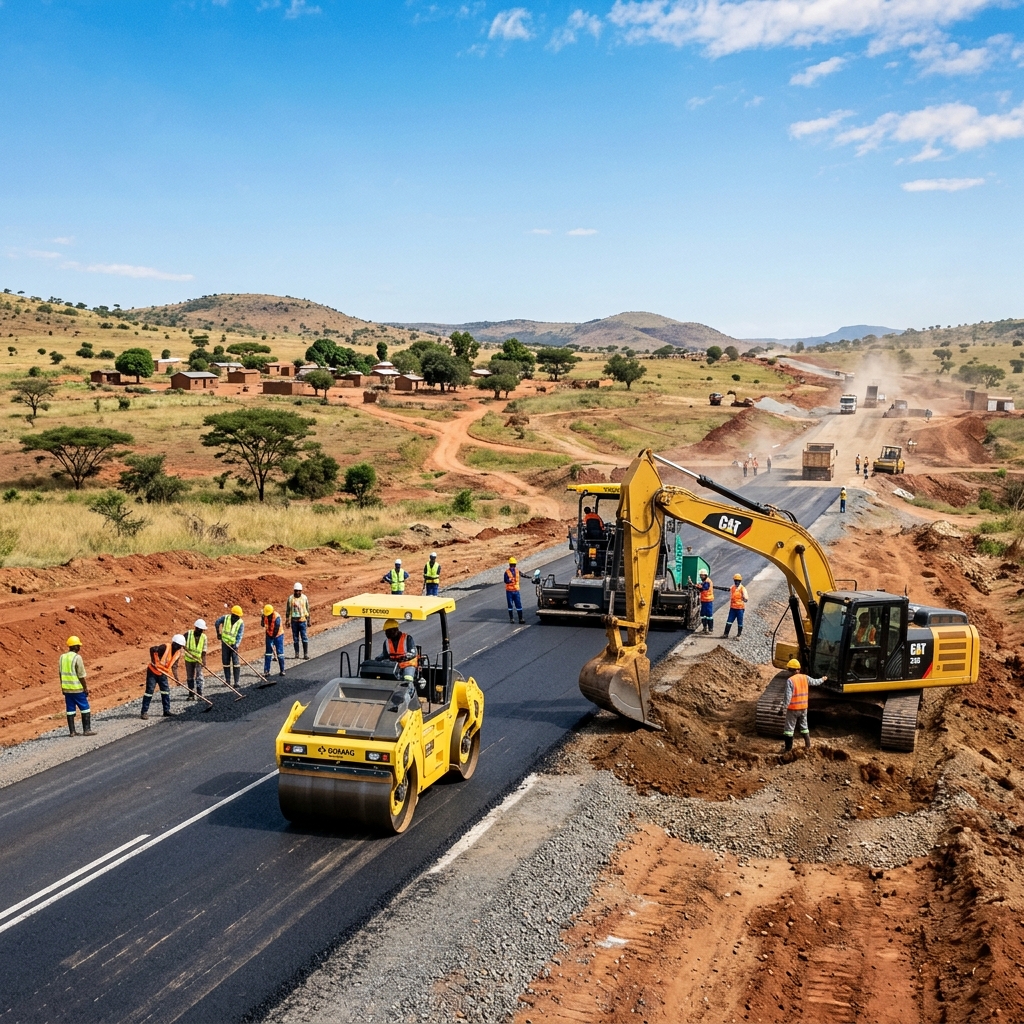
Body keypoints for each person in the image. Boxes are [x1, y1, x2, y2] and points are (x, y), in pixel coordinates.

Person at [777, 658, 828, 751]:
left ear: (790, 670)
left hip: (793, 709)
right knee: (804, 727)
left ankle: (788, 749)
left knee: (789, 729)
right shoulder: (805, 677)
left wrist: (782, 709)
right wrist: (823, 679)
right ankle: (808, 746)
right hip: (804, 708)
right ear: (799, 669)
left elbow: (787, 697)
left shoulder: (790, 680)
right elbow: (815, 682)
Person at [143, 634, 185, 719]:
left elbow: (174, 666)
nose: (180, 648)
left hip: (163, 674)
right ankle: (144, 712)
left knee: (165, 691)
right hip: (153, 672)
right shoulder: (165, 647)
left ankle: (166, 711)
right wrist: (154, 661)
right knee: (149, 691)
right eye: (179, 646)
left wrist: (176, 679)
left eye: (181, 646)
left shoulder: (177, 653)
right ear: (175, 643)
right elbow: (152, 649)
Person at [60, 636, 94, 736]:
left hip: (67, 689)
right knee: (85, 708)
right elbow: (81, 675)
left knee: (70, 709)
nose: (80, 647)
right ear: (75, 647)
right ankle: (87, 730)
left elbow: (60, 673)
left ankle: (72, 732)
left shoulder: (62, 657)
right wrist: (85, 688)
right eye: (78, 646)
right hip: (77, 689)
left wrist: (62, 687)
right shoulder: (77, 658)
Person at [382, 617, 418, 685]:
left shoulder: (407, 639)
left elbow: (413, 652)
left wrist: (406, 657)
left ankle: (409, 691)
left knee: (408, 678)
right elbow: (385, 655)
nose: (387, 634)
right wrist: (376, 661)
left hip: (407, 665)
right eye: (386, 632)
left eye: (389, 631)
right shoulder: (386, 642)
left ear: (396, 630)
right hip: (393, 666)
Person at [215, 605, 245, 688]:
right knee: (226, 662)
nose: (236, 618)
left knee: (236, 663)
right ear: (232, 615)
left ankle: (236, 682)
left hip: (233, 645)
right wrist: (218, 633)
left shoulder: (240, 623)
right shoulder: (226, 618)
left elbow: (240, 635)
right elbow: (217, 623)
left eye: (238, 617)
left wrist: (236, 645)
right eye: (235, 617)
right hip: (225, 643)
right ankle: (227, 681)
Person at [183, 619, 208, 700]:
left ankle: (200, 694)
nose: (202, 631)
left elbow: (204, 650)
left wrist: (203, 660)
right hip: (188, 660)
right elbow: (182, 643)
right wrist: (184, 647)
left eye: (202, 630)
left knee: (199, 676)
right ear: (196, 628)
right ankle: (191, 694)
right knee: (190, 677)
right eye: (201, 630)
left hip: (198, 660)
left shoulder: (204, 637)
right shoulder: (188, 634)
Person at [286, 582, 311, 660]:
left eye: (299, 591)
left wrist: (309, 620)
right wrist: (287, 620)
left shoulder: (304, 598)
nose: (297, 592)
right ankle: (296, 653)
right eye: (296, 590)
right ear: (294, 590)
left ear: (301, 591)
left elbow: (307, 609)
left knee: (304, 637)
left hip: (303, 620)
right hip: (294, 621)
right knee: (295, 638)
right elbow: (288, 610)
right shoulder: (290, 599)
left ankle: (305, 654)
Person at [262, 604, 286, 677]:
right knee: (268, 653)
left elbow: (276, 629)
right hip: (269, 634)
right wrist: (262, 618)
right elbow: (263, 625)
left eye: (269, 615)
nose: (268, 616)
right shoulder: (265, 615)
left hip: (278, 635)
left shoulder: (277, 617)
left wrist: (272, 637)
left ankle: (282, 670)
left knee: (280, 653)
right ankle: (266, 671)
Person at [723, 573, 748, 638]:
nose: (736, 582)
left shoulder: (742, 588)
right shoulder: (733, 587)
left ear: (740, 581)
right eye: (735, 580)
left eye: (738, 581)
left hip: (740, 608)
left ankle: (738, 635)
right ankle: (726, 634)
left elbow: (746, 598)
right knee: (729, 621)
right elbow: (729, 589)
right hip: (733, 608)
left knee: (740, 622)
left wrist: (745, 598)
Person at [504, 556, 524, 624]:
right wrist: (509, 580)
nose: (513, 566)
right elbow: (505, 580)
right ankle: (511, 619)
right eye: (512, 565)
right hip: (509, 592)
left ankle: (520, 618)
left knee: (518, 605)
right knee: (510, 605)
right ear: (510, 565)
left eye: (514, 565)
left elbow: (522, 575)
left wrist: (530, 577)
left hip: (516, 591)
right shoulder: (506, 572)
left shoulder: (517, 571)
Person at [697, 569, 714, 634]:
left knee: (709, 615)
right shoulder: (704, 582)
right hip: (704, 600)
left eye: (702, 575)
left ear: (706, 575)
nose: (701, 577)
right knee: (703, 615)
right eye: (700, 575)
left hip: (708, 601)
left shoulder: (708, 582)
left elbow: (704, 588)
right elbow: (701, 588)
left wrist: (698, 587)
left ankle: (710, 629)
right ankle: (704, 628)